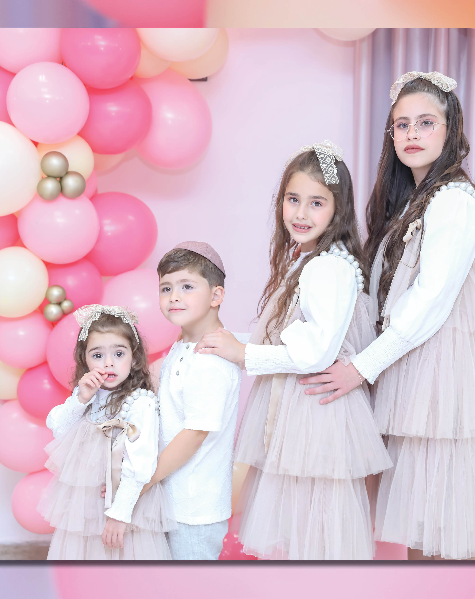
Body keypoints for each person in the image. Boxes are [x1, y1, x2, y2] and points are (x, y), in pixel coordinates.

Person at [298, 71, 475, 560]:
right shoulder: (413, 203)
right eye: (402, 125)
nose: (412, 134)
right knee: (422, 527)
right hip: (412, 367)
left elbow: (430, 299)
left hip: (441, 374)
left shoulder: (454, 200)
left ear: (450, 130)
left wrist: (362, 367)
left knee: (437, 526)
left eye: (426, 122)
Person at [194, 142, 391, 559]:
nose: (301, 213)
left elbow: (316, 353)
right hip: (303, 406)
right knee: (302, 526)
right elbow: (287, 337)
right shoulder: (308, 259)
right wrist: (234, 343)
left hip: (316, 410)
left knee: (317, 528)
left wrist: (244, 354)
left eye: (316, 203)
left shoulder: (328, 266)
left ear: (337, 209)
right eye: (292, 199)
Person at [41, 305, 172, 559]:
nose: (108, 362)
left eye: (119, 353)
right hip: (88, 506)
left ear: (134, 358)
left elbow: (141, 465)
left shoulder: (140, 402)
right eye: (97, 355)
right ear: (85, 360)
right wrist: (81, 399)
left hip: (125, 506)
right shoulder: (88, 396)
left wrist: (119, 515)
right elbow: (58, 428)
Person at [146, 242, 242, 559]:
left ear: (216, 296)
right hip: (175, 498)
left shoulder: (210, 359)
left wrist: (144, 480)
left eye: (187, 286)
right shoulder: (185, 343)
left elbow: (195, 433)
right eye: (166, 288)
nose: (174, 296)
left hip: (194, 507)